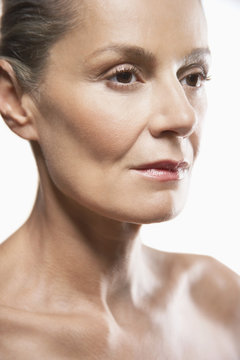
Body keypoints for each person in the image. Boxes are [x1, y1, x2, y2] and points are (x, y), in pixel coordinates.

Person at [0, 0, 239, 358]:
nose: (183, 116)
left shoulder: (220, 301)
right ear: (16, 98)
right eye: (124, 75)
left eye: (192, 77)